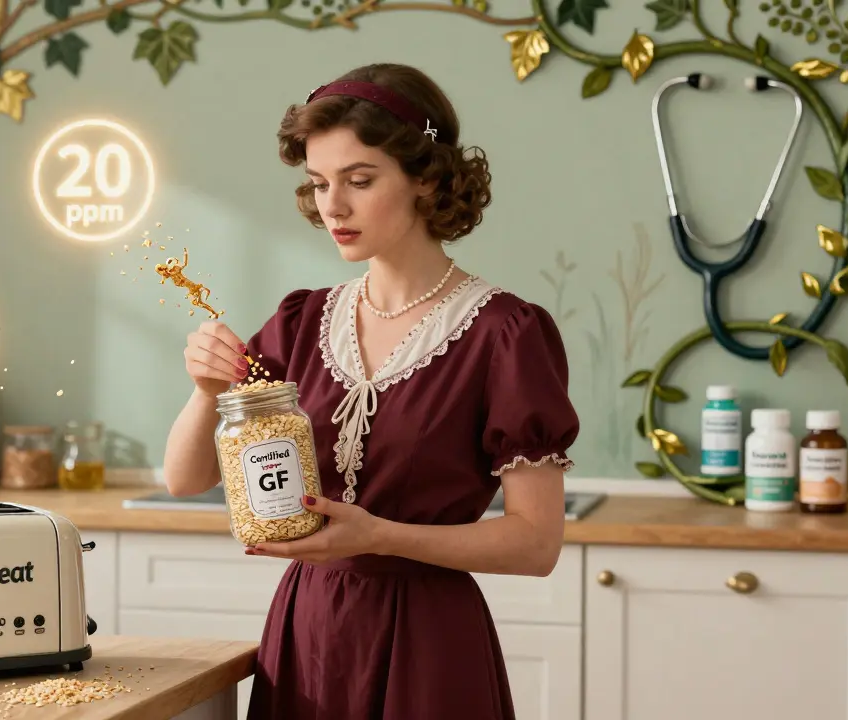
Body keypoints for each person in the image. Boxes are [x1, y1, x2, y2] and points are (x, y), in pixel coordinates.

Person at [161, 63, 580, 719]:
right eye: (320, 183)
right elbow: (184, 480)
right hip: (307, 631)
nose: (334, 205)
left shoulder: (504, 333)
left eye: (360, 180)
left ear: (428, 179)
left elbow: (536, 544)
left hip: (430, 641)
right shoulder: (301, 322)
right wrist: (205, 390)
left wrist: (377, 536)